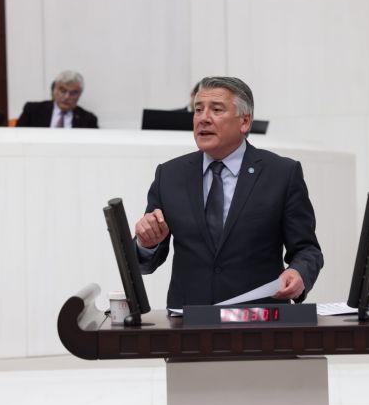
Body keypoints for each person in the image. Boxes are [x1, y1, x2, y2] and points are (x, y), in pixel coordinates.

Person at [134, 76, 323, 308]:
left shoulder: (282, 174)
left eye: (216, 110)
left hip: (259, 319)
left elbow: (306, 249)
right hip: (189, 321)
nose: (203, 118)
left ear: (245, 121)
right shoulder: (169, 175)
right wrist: (146, 244)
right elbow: (145, 262)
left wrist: (299, 272)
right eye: (198, 110)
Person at [16, 70, 98, 128]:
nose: (67, 97)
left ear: (79, 95)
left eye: (73, 93)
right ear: (54, 91)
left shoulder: (88, 119)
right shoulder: (33, 111)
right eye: (63, 91)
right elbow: (17, 137)